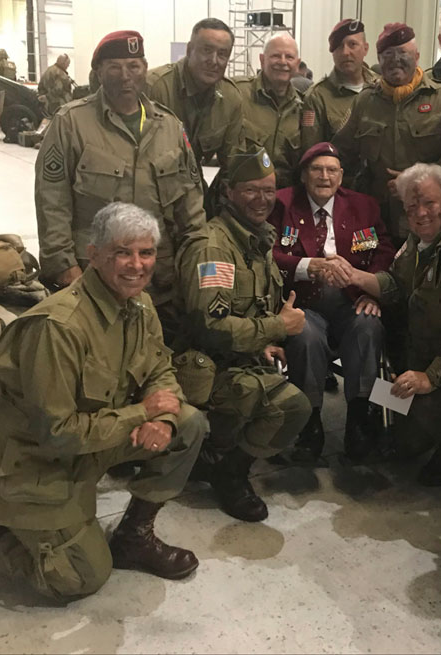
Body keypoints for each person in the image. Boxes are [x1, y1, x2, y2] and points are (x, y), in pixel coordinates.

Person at [0, 202, 208, 600]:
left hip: (92, 443)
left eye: (146, 252)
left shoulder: (140, 306)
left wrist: (164, 421)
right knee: (81, 578)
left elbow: (161, 372)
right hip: (36, 461)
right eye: (123, 252)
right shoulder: (59, 328)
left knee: (189, 424)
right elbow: (57, 434)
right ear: (94, 254)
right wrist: (142, 412)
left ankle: (133, 537)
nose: (137, 265)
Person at [34, 30, 207, 337]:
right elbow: (52, 202)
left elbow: (191, 207)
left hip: (160, 284)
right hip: (92, 281)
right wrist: (66, 270)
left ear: (145, 68)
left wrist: (195, 271)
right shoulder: (71, 123)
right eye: (114, 66)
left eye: (134, 66)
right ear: (98, 71)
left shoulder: (169, 127)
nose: (125, 76)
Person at [177, 148, 311, 522]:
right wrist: (276, 328)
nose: (263, 200)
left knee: (288, 400)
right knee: (292, 406)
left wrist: (264, 339)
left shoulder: (255, 239)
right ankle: (226, 469)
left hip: (238, 357)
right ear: (228, 192)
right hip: (204, 367)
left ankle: (218, 457)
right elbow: (210, 326)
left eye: (269, 190)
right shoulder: (215, 248)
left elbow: (244, 310)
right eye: (251, 190)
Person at [342, 163, 441, 485]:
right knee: (394, 426)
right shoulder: (417, 246)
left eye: (429, 203)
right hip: (421, 361)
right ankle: (422, 428)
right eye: (412, 206)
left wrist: (430, 377)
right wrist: (357, 278)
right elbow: (396, 284)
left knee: (415, 418)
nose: (420, 213)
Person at [268, 142, 395, 462]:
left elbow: (384, 253)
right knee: (304, 335)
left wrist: (370, 290)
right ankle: (309, 423)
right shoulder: (282, 203)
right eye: (316, 169)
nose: (324, 176)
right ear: (303, 174)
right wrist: (307, 266)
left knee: (369, 327)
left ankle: (359, 419)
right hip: (303, 301)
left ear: (341, 176)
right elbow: (266, 253)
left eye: (332, 170)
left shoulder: (364, 205)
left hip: (351, 301)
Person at [332, 22, 441, 243]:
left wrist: (420, 180)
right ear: (378, 59)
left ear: (417, 56)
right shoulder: (364, 101)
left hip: (431, 217)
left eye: (402, 53)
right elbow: (342, 151)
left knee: (431, 273)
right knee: (379, 270)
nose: (395, 60)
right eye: (387, 54)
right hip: (379, 218)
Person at [146, 19, 244, 175]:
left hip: (192, 185)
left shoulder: (230, 97)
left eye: (222, 54)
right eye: (206, 50)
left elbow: (232, 164)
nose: (213, 61)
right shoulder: (153, 88)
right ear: (189, 50)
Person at [235, 33, 303, 188]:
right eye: (275, 56)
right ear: (262, 59)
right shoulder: (238, 95)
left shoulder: (303, 106)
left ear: (297, 64)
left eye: (289, 57)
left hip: (284, 198)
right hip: (242, 197)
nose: (283, 62)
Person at [300, 18, 378, 151]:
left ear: (365, 49)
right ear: (332, 52)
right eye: (339, 46)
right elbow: (312, 152)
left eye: (352, 44)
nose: (345, 52)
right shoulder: (317, 97)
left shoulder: (381, 87)